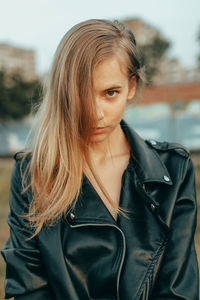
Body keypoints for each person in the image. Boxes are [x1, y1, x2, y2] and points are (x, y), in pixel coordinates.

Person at [1, 19, 199, 300]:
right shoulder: (32, 175)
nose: (95, 113)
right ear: (64, 92)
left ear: (131, 87)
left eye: (110, 93)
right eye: (82, 94)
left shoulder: (173, 170)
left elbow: (178, 290)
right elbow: (29, 289)